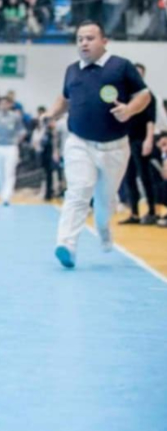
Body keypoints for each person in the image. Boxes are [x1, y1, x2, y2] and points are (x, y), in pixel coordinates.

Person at [42, 21, 151, 269]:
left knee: (104, 202)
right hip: (79, 143)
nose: (83, 43)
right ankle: (66, 245)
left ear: (104, 41)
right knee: (78, 191)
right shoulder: (72, 70)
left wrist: (130, 109)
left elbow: (143, 95)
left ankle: (103, 228)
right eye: (80, 38)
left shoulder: (121, 66)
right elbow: (65, 98)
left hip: (114, 148)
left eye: (90, 38)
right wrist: (51, 113)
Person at [119, 63, 158, 225]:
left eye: (140, 73)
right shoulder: (126, 95)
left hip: (141, 141)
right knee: (129, 177)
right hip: (126, 141)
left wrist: (149, 140)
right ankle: (134, 213)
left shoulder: (148, 96)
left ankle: (151, 212)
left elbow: (150, 121)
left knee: (145, 176)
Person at [0, 96, 25, 206]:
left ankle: (7, 196)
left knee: (10, 171)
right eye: (1, 103)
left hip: (11, 147)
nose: (3, 106)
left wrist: (17, 140)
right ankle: (2, 194)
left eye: (5, 103)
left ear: (9, 105)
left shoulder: (15, 116)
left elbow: (22, 131)